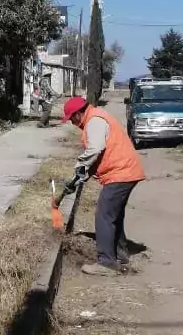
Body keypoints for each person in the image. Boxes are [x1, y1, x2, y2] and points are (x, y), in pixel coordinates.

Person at [60, 95, 145, 274]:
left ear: (77, 113)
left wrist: (79, 167)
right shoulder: (96, 117)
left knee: (104, 215)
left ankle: (106, 262)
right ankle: (120, 254)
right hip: (125, 171)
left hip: (120, 172)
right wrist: (78, 179)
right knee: (115, 215)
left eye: (71, 119)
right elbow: (97, 158)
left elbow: (94, 149)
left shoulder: (94, 121)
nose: (72, 123)